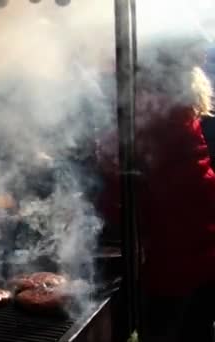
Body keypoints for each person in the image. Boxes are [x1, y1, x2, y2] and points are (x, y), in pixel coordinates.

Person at [97, 24, 215, 342]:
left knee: (167, 330)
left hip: (171, 253)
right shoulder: (179, 103)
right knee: (195, 330)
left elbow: (122, 185)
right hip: (201, 243)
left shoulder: (148, 110)